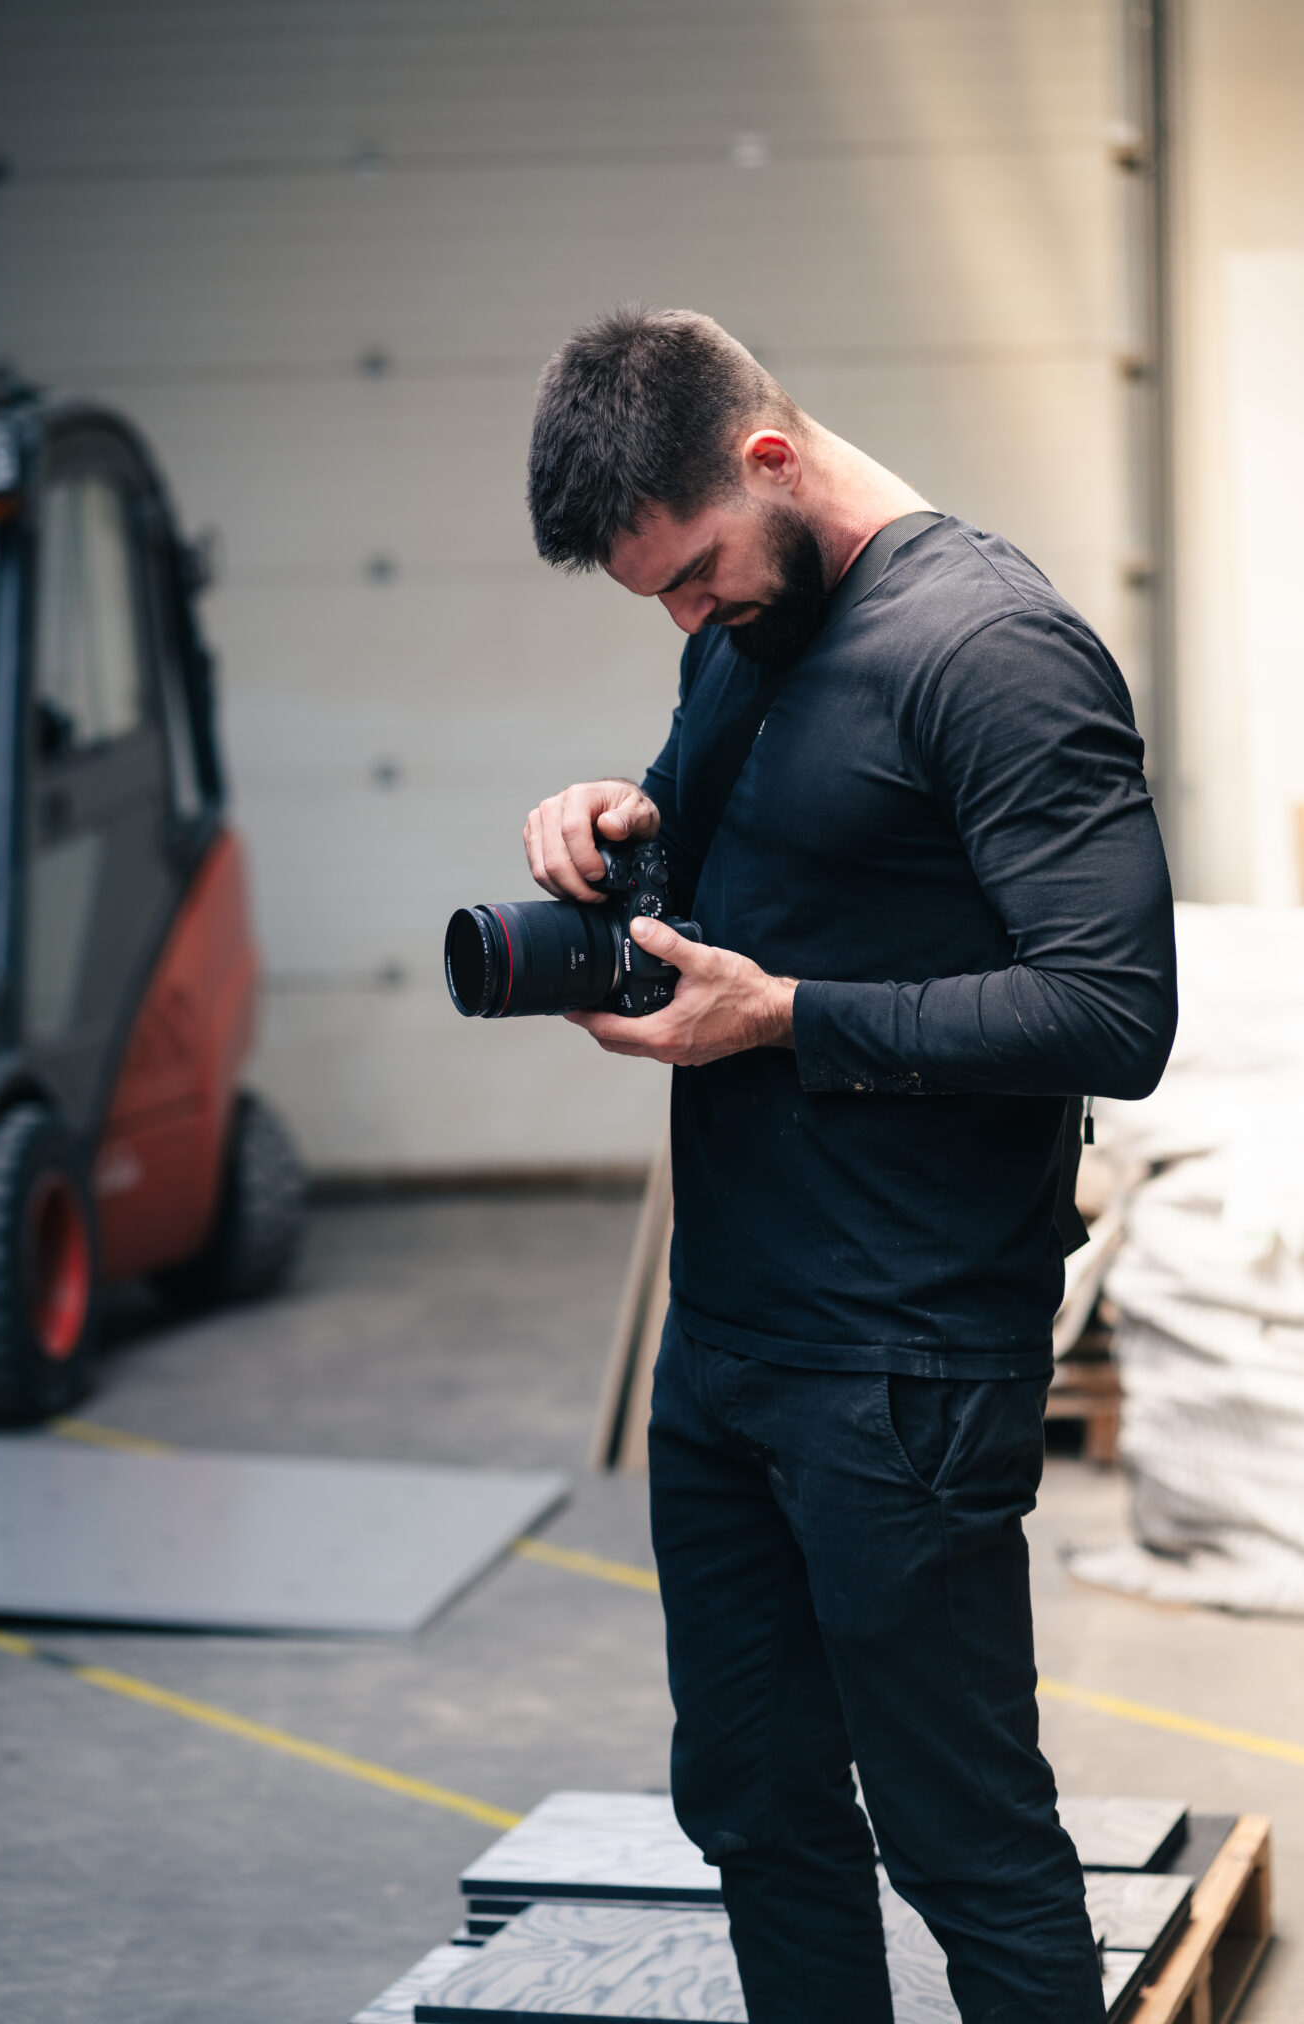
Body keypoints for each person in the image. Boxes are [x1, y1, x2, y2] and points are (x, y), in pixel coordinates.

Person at [522, 305, 1177, 2024]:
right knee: (753, 1804)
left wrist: (788, 1016)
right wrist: (616, 823)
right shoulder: (743, 634)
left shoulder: (994, 652)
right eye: (656, 596)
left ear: (768, 457)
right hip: (728, 1336)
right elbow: (745, 865)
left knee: (962, 1840)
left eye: (695, 574)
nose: (686, 616)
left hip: (904, 1356)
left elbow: (1111, 1013)